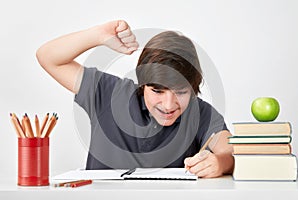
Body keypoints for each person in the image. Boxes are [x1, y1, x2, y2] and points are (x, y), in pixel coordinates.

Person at [36, 20, 234, 178]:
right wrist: (98, 35)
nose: (168, 105)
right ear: (142, 85)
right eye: (157, 91)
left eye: (181, 92)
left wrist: (219, 163)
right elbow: (48, 57)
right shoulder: (108, 93)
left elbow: (232, 152)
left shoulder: (201, 113)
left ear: (192, 88)